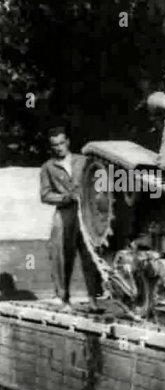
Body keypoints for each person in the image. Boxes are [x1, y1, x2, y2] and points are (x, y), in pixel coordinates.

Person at [39, 126, 102, 310]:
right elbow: (45, 195)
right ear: (51, 147)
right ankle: (63, 298)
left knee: (91, 255)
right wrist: (65, 198)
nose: (59, 148)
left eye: (61, 143)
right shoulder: (48, 167)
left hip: (87, 214)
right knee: (61, 256)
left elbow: (97, 182)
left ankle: (94, 299)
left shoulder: (84, 161)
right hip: (64, 215)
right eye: (55, 145)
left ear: (67, 142)